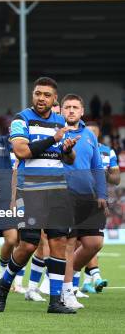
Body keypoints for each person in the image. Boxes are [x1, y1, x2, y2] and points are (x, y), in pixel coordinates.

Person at [0, 77, 78, 314]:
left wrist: (67, 149)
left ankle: (55, 302)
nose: (41, 98)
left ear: (54, 99)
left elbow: (68, 158)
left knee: (58, 242)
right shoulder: (21, 119)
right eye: (38, 93)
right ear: (33, 95)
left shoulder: (60, 121)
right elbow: (21, 151)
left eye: (47, 95)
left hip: (58, 191)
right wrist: (54, 139)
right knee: (28, 244)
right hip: (30, 191)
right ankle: (3, 285)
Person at [58, 94, 107, 310]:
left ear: (82, 111)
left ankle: (67, 278)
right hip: (64, 195)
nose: (70, 110)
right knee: (69, 244)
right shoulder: (56, 134)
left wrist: (102, 194)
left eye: (74, 107)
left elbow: (97, 167)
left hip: (88, 196)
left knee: (94, 243)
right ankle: (66, 291)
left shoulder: (89, 136)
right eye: (67, 107)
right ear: (61, 111)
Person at [0, 132, 30, 298]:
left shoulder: (30, 142)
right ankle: (2, 273)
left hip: (27, 195)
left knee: (24, 241)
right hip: (5, 197)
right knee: (11, 239)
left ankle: (17, 282)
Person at [79, 121, 119, 294]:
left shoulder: (107, 151)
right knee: (79, 242)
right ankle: (92, 277)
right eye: (89, 132)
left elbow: (116, 179)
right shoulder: (78, 149)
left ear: (99, 134)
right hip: (79, 200)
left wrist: (105, 173)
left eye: (94, 132)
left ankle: (88, 280)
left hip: (99, 202)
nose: (91, 135)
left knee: (92, 242)